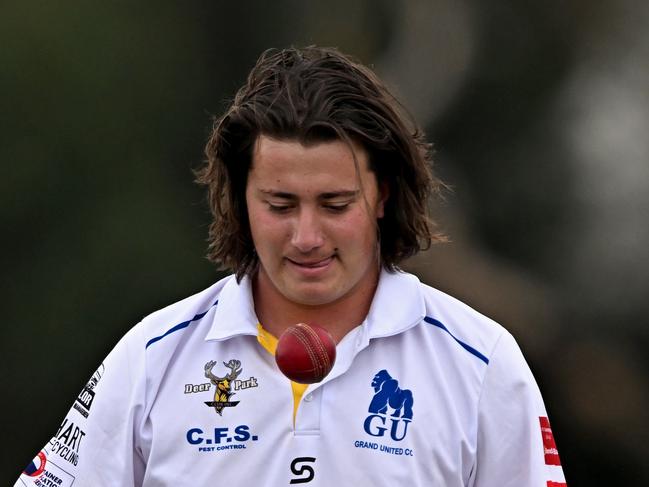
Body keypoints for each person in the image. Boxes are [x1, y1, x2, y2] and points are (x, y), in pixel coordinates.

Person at [15, 46, 567, 487]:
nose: (306, 237)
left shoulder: (482, 362)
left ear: (382, 197)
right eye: (279, 205)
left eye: (335, 204)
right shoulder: (151, 357)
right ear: (239, 198)